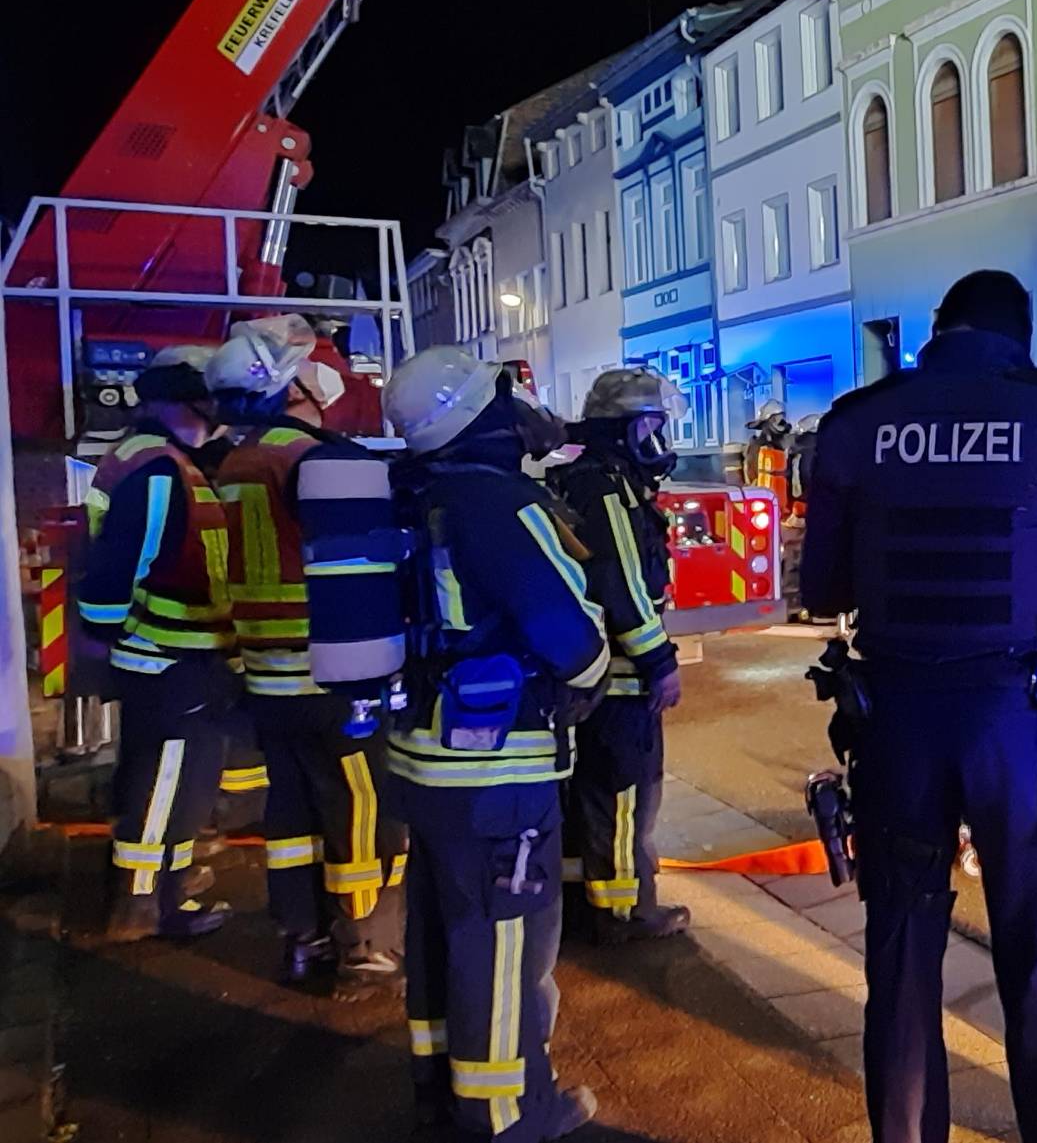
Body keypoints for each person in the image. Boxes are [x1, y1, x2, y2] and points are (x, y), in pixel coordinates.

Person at [800, 269, 1037, 1143]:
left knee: (902, 959)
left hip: (896, 723)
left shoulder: (855, 422)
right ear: (1020, 337)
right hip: (1012, 722)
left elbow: (824, 585)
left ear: (938, 328)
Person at [384, 346, 605, 1140]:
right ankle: (507, 1112)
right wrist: (597, 668)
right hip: (496, 770)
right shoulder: (498, 504)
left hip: (422, 759)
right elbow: (568, 635)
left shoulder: (410, 495)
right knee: (503, 941)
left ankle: (439, 1088)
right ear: (480, 415)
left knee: (442, 930)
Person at [207, 315, 408, 997]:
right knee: (359, 807)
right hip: (328, 674)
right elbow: (360, 573)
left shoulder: (236, 461)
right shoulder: (314, 460)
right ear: (293, 386)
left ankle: (302, 936)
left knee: (291, 812)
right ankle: (367, 943)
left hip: (267, 675)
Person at [77, 345, 236, 941]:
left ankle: (160, 887)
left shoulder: (145, 455)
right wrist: (119, 635)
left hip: (160, 653)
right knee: (169, 779)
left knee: (162, 774)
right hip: (170, 654)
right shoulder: (160, 470)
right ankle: (144, 904)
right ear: (194, 397)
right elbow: (122, 566)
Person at [553, 368, 690, 943]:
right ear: (632, 427)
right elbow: (622, 582)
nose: (660, 438)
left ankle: (591, 901)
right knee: (626, 795)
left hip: (591, 675)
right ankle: (626, 911)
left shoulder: (585, 478)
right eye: (655, 425)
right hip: (623, 676)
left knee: (591, 792)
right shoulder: (607, 487)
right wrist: (660, 661)